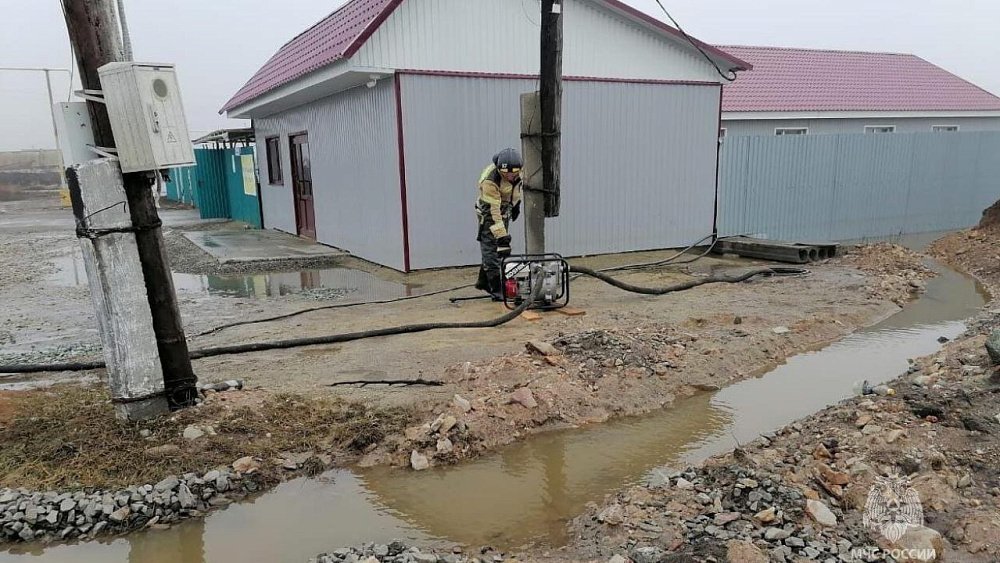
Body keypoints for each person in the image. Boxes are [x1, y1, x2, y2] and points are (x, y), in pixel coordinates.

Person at [475, 148, 523, 299]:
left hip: (505, 207)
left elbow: (517, 188)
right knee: (492, 248)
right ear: (499, 169)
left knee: (500, 249)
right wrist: (501, 236)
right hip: (490, 211)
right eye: (506, 174)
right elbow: (493, 212)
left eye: (514, 173)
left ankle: (483, 282)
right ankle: (496, 288)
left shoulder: (518, 171)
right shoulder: (490, 181)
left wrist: (516, 204)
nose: (510, 176)